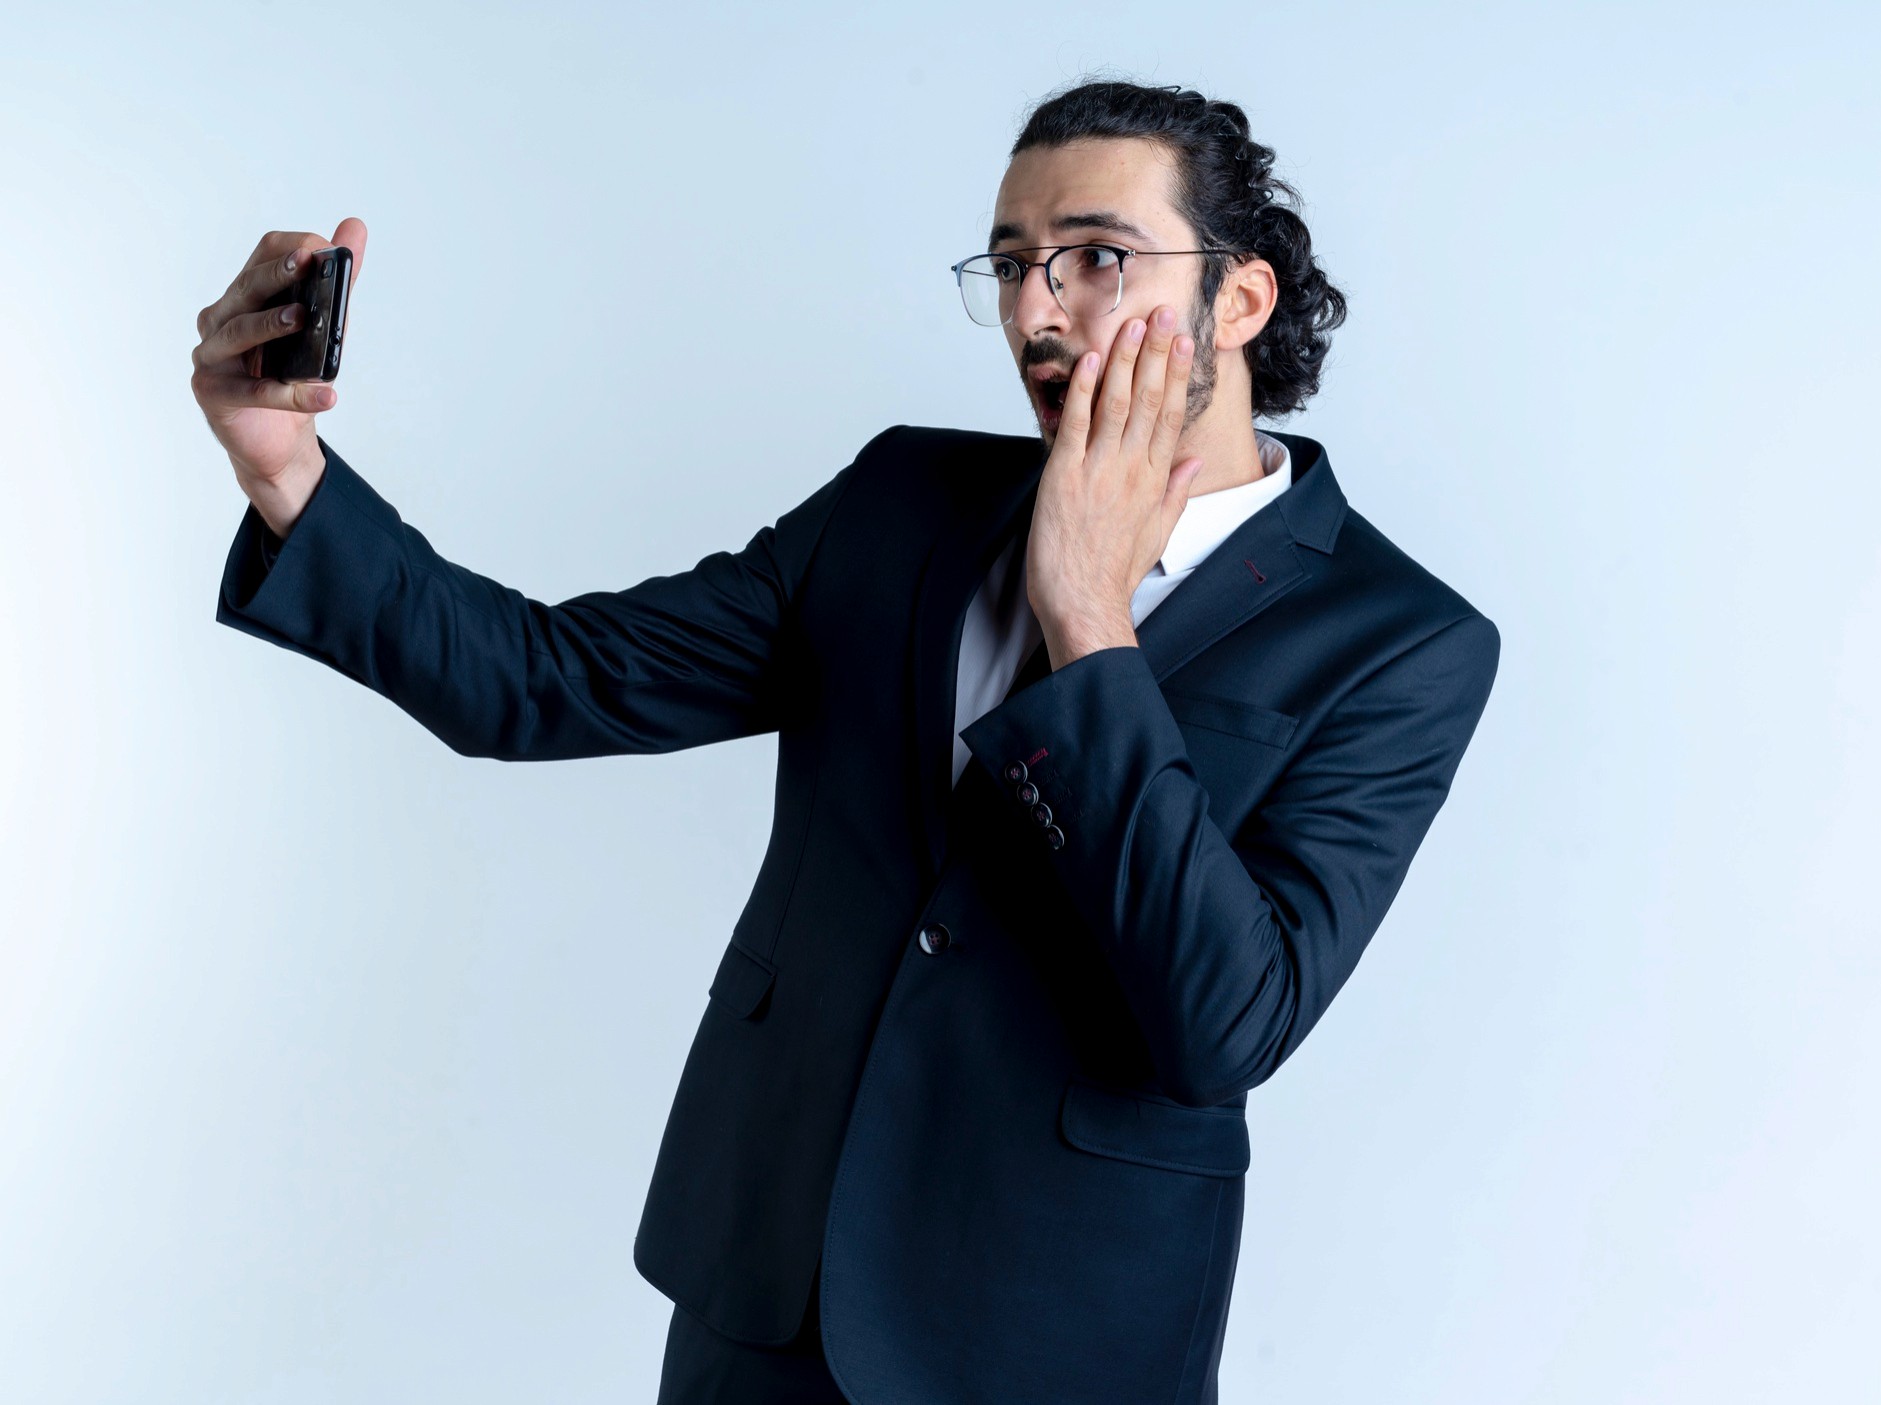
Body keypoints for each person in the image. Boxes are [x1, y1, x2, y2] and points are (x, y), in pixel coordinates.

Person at [190, 78, 1502, 1405]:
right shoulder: (902, 502)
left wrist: (1088, 621)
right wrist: (284, 473)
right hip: (767, 1292)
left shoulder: (1398, 639)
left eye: (1098, 257)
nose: (1038, 313)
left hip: (1058, 1337)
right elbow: (541, 682)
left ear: (1242, 299)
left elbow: (1224, 1023)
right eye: (1011, 265)